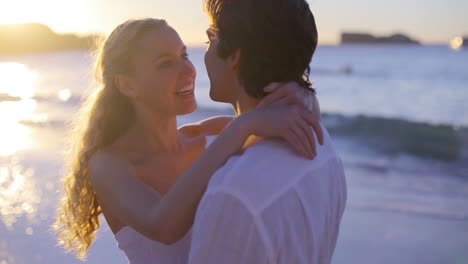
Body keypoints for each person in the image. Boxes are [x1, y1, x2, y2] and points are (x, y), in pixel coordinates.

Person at [53, 18, 322, 263]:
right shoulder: (110, 165)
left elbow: (298, 129)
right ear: (127, 85)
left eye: (184, 55)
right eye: (165, 63)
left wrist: (305, 98)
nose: (188, 70)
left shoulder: (216, 134)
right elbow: (163, 225)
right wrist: (243, 125)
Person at [187, 0, 347, 263]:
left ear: (235, 56)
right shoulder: (324, 150)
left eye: (209, 41)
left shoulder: (232, 193)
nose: (203, 57)